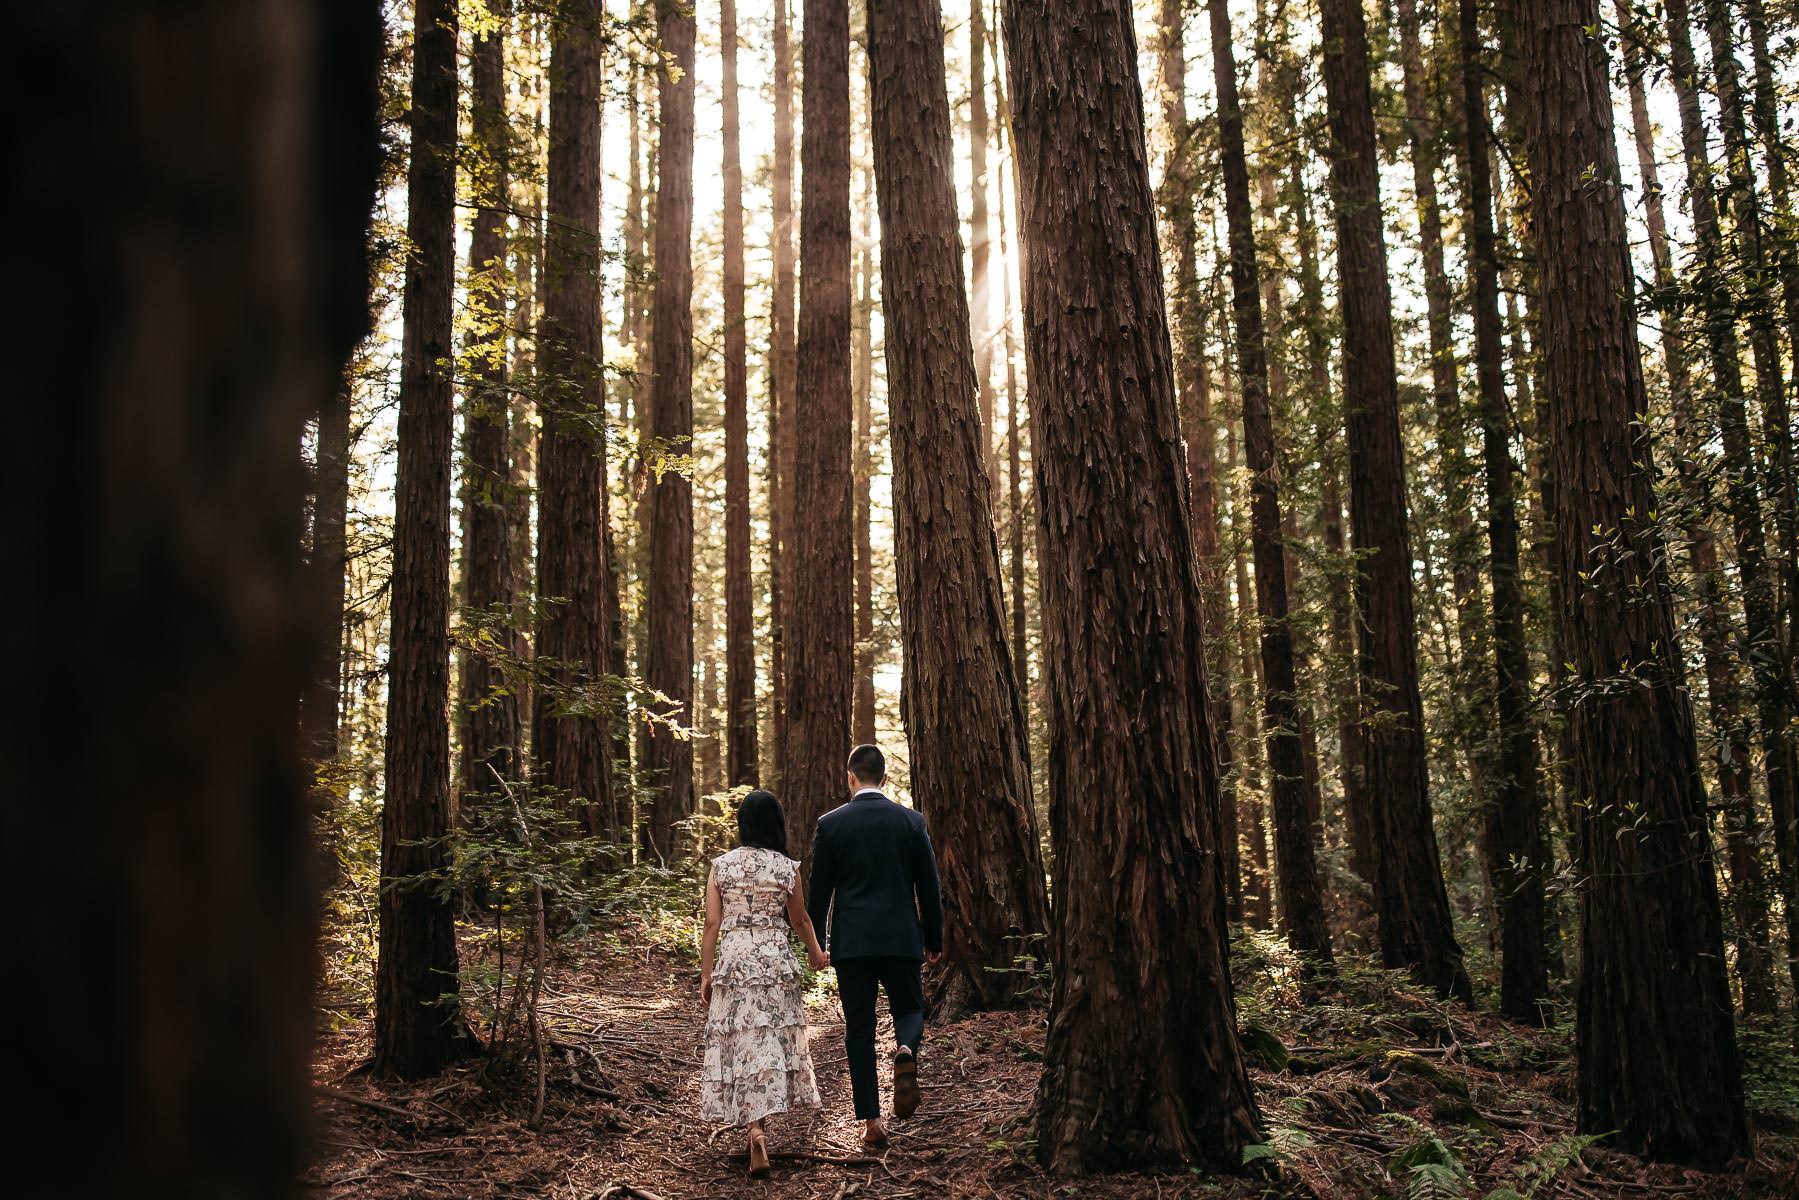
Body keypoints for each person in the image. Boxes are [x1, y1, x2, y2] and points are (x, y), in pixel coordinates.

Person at [807, 744, 944, 1151]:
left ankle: (872, 1121)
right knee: (909, 1009)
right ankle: (905, 1048)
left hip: (853, 945)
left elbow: (819, 893)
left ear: (851, 777)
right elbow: (929, 888)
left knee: (860, 1030)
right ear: (885, 779)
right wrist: (932, 938)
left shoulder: (831, 825)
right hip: (902, 939)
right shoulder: (911, 821)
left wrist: (816, 943)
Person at [698, 789, 828, 1178]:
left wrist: (706, 973)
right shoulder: (786, 867)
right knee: (768, 1038)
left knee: (740, 1039)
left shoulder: (722, 866)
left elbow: (711, 923)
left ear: (744, 823)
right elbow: (801, 920)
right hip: (774, 958)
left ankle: (754, 1129)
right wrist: (817, 954)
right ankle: (760, 1125)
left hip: (736, 959)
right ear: (776, 824)